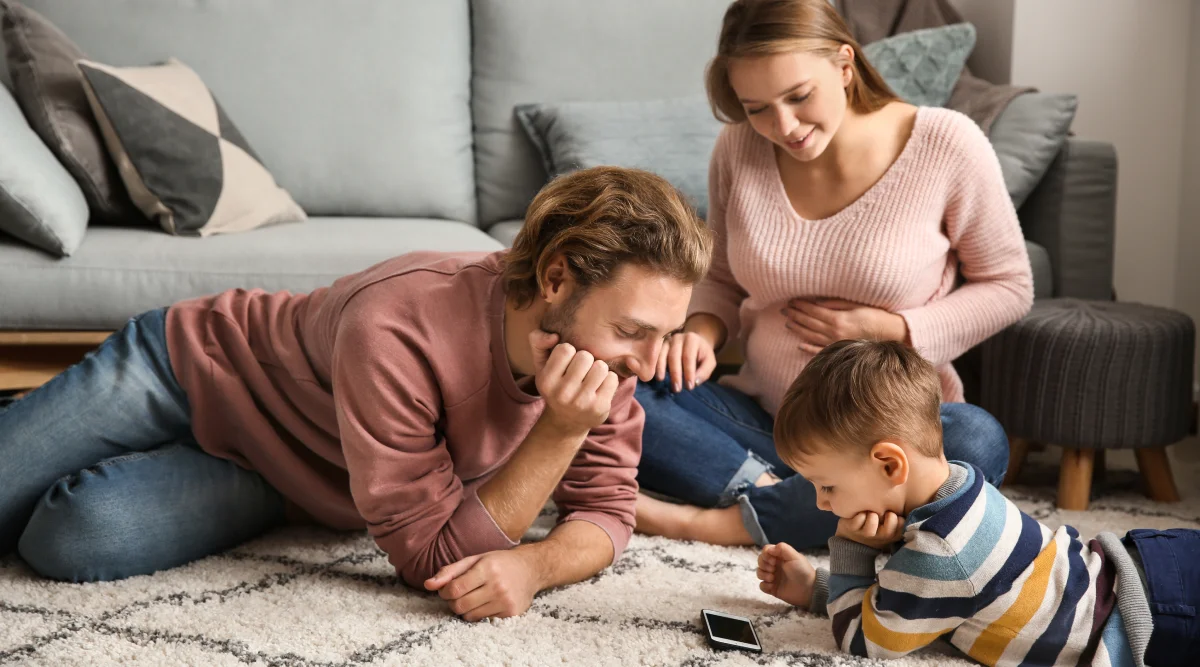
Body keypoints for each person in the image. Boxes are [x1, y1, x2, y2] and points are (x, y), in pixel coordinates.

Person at [0, 166, 713, 622]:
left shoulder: (608, 358)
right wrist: (558, 432)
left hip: (292, 479)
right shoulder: (398, 319)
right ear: (557, 279)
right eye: (634, 331)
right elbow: (434, 560)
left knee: (69, 537)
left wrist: (533, 562)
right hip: (194, 369)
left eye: (664, 334)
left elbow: (609, 512)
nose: (650, 364)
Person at [633, 0, 1034, 550]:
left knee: (974, 440)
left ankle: (719, 517)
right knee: (614, 377)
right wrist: (699, 334)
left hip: (883, 442)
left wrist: (894, 330)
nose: (785, 127)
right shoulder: (738, 148)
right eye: (757, 108)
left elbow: (1010, 286)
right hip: (765, 425)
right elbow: (720, 278)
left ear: (845, 65)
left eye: (799, 97)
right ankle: (801, 497)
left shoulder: (945, 142)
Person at [756, 339, 1196, 666]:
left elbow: (866, 642)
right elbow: (923, 604)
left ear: (890, 465)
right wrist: (818, 589)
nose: (820, 503)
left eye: (827, 486)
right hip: (1151, 563)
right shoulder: (963, 483)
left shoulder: (941, 553)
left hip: (1147, 623)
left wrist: (853, 550)